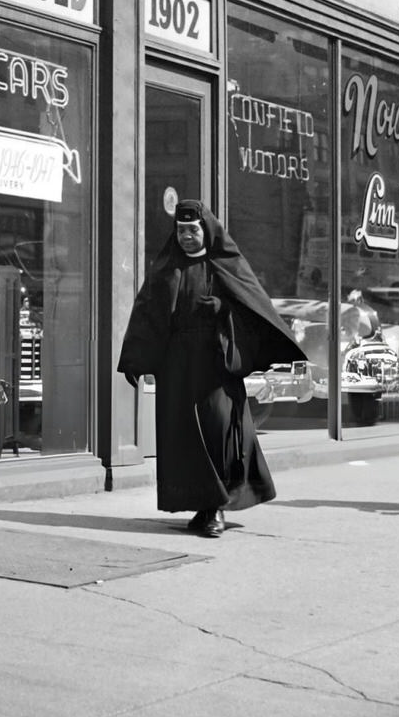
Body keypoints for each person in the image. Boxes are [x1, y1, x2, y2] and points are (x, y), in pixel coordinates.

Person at [118, 199, 304, 537]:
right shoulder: (165, 269)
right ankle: (203, 506)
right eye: (181, 231)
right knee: (183, 438)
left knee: (218, 432)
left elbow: (252, 310)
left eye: (193, 230)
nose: (187, 237)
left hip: (215, 367)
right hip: (177, 368)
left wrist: (221, 308)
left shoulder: (227, 266)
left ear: (207, 230)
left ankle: (216, 507)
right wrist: (136, 359)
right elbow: (147, 317)